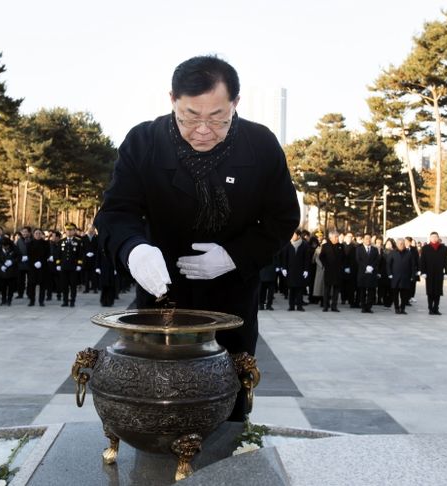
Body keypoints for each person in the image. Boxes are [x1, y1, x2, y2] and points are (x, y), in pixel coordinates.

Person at [93, 55, 299, 421]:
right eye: (190, 116)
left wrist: (234, 256)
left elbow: (283, 217)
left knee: (227, 401)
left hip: (232, 301)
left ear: (235, 103)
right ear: (172, 100)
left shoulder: (261, 144)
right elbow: (116, 213)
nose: (203, 130)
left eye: (218, 117)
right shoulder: (144, 141)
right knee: (157, 402)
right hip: (162, 298)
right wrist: (134, 250)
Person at [419, 231, 447, 315]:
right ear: (430, 238)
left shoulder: (443, 248)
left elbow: (446, 261)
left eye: (436, 237)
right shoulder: (425, 248)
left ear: (438, 238)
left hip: (439, 273)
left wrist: (446, 272)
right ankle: (430, 308)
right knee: (430, 291)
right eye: (432, 237)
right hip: (429, 273)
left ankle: (436, 308)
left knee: (438, 291)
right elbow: (422, 261)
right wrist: (423, 272)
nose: (434, 238)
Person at [282, 229, 310, 311]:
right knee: (291, 289)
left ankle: (299, 306)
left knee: (299, 289)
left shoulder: (304, 245)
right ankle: (291, 306)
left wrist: (306, 270)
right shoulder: (288, 244)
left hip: (300, 270)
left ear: (298, 236)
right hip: (290, 270)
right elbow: (285, 257)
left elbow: (306, 258)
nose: (292, 236)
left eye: (294, 235)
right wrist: (284, 268)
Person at [56, 223, 83, 307]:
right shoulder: (61, 241)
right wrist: (58, 263)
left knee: (73, 285)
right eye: (67, 230)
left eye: (71, 230)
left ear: (74, 231)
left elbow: (81, 254)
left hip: (73, 267)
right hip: (63, 267)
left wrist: (79, 264)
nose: (69, 232)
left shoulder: (78, 241)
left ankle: (72, 300)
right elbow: (58, 254)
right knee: (64, 285)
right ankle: (65, 301)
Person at [387, 238, 416, 314]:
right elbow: (388, 264)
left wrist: (413, 275)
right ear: (396, 244)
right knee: (395, 294)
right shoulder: (392, 253)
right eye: (399, 243)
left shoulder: (409, 253)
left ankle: (402, 308)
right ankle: (396, 308)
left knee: (404, 295)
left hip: (405, 277)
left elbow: (413, 265)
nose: (401, 245)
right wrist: (389, 274)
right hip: (395, 277)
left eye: (402, 243)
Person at [319, 231, 344, 312]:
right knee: (327, 289)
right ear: (331, 238)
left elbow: (344, 257)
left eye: (337, 237)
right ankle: (325, 306)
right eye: (335, 237)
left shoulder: (341, 246)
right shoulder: (325, 246)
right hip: (329, 270)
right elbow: (321, 257)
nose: (337, 238)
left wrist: (342, 266)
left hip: (338, 271)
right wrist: (325, 265)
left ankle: (334, 306)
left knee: (336, 289)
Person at [355, 233, 380, 313]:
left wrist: (372, 267)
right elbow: (358, 260)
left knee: (371, 290)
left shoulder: (374, 249)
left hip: (372, 272)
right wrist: (366, 267)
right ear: (363, 239)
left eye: (369, 238)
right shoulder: (359, 249)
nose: (368, 240)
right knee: (362, 290)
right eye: (366, 238)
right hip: (362, 272)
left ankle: (369, 307)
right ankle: (363, 306)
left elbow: (377, 260)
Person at [27, 228, 50, 306]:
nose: (38, 235)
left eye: (39, 233)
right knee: (32, 285)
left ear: (42, 234)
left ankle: (41, 301)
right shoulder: (30, 243)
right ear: (33, 235)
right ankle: (32, 300)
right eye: (36, 233)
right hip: (32, 267)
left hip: (43, 267)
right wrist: (34, 262)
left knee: (42, 285)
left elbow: (47, 254)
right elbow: (29, 255)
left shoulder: (46, 243)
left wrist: (41, 262)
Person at [0, 236, 20, 306]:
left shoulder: (14, 248)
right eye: (3, 246)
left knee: (11, 287)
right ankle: (3, 300)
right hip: (2, 271)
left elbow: (19, 257)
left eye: (6, 246)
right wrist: (0, 266)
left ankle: (9, 300)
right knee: (3, 287)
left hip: (12, 271)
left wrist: (12, 261)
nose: (5, 247)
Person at [341, 232, 358, 307]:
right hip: (343, 268)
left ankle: (351, 300)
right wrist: (344, 267)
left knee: (351, 286)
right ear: (345, 237)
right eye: (348, 236)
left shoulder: (354, 247)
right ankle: (343, 299)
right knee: (343, 285)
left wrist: (350, 267)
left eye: (351, 237)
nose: (349, 238)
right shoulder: (342, 246)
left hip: (351, 268)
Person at [81, 225, 99, 294]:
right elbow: (82, 248)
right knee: (86, 275)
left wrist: (93, 253)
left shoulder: (97, 238)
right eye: (90, 229)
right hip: (86, 259)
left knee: (94, 275)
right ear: (88, 229)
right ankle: (86, 288)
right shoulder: (84, 238)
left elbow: (98, 248)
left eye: (92, 229)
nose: (91, 230)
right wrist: (86, 253)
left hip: (94, 259)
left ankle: (95, 288)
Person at [15, 226, 32, 299]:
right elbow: (16, 251)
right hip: (21, 263)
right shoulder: (19, 241)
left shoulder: (32, 240)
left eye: (26, 232)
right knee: (20, 280)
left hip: (30, 263)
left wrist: (29, 256)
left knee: (30, 280)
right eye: (23, 232)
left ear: (29, 232)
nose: (24, 233)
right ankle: (20, 293)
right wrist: (20, 257)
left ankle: (29, 293)